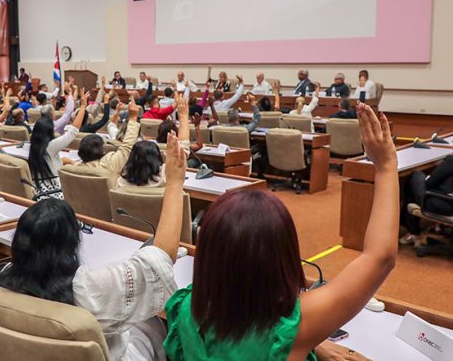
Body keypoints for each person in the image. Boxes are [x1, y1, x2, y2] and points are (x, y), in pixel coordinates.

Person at [164, 103, 398, 361]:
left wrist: (313, 344)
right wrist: (386, 166)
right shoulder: (290, 330)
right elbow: (380, 257)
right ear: (282, 258)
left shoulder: (184, 308)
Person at [0, 132, 186, 361]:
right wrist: (175, 183)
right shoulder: (89, 290)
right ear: (71, 242)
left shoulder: (1, 280)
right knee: (149, 322)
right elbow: (161, 257)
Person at [27, 91, 86, 196]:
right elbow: (73, 132)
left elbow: (50, 161)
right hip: (54, 191)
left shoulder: (34, 146)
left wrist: (65, 161)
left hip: (39, 189)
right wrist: (83, 106)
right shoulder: (50, 146)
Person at [76, 101, 141, 187]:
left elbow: (111, 125)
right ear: (102, 150)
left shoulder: (76, 168)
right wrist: (133, 118)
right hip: (108, 199)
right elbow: (127, 146)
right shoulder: (109, 163)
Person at [400, 154, 453, 245]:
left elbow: (429, 184)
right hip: (448, 202)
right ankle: (412, 230)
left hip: (440, 203)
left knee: (415, 175)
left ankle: (412, 231)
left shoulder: (451, 161)